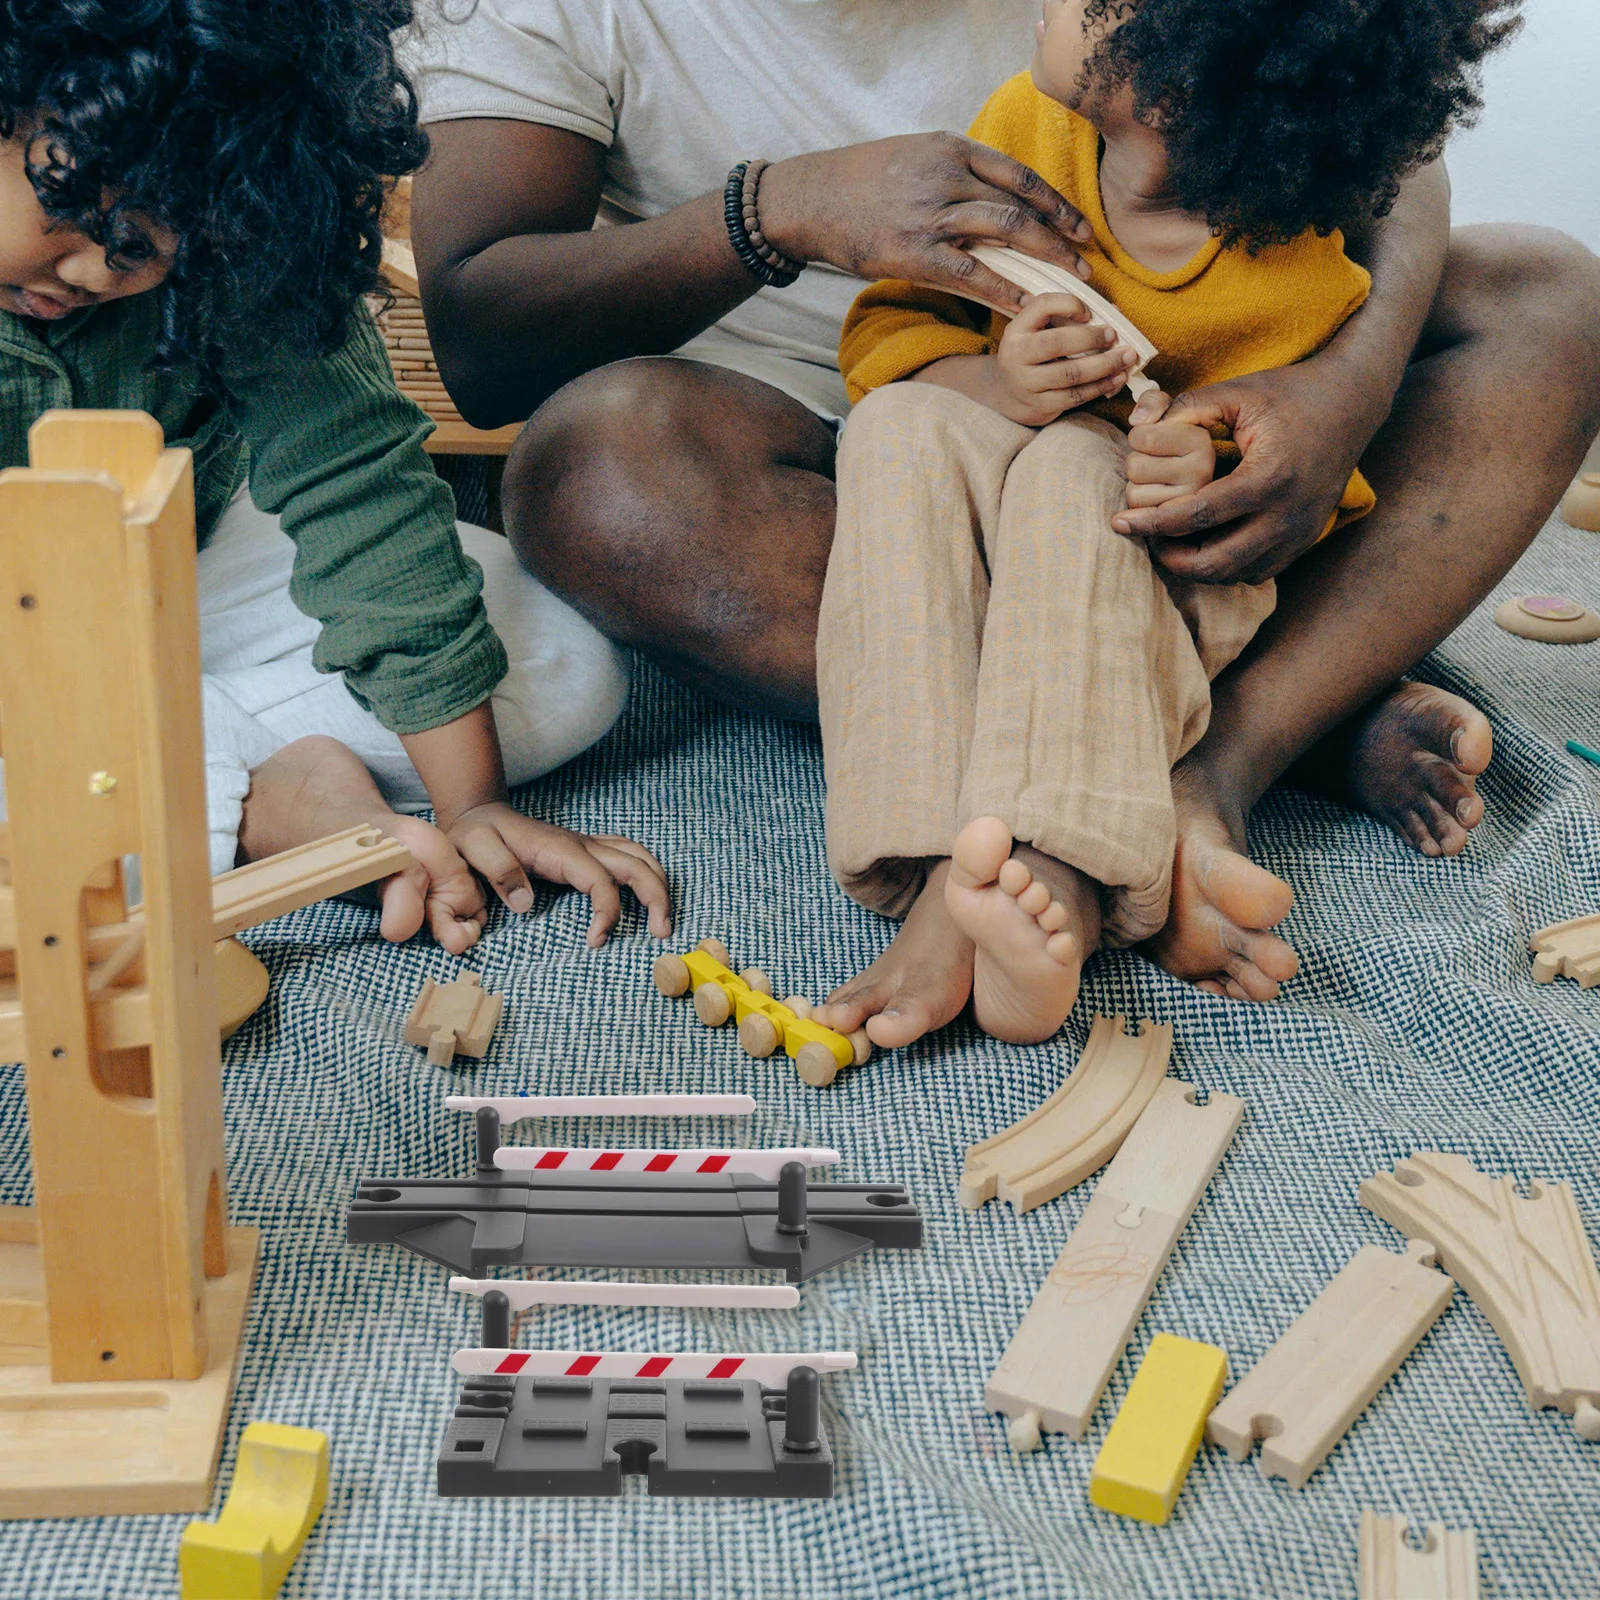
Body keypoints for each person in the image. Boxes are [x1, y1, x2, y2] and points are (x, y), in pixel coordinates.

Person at [408, 0, 1600, 1027]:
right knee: (599, 465)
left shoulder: (1144, 71)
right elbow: (480, 336)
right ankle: (1205, 728)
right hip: (820, 452)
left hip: (1167, 472)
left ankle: (1214, 768)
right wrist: (772, 214)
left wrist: (1345, 385)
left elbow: (1369, 120)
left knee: (1553, 296)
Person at [811, 0, 1515, 1044]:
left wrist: (1203, 451)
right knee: (897, 427)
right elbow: (892, 325)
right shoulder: (1022, 134)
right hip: (999, 481)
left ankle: (1060, 866)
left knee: (1069, 474)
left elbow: (1295, 487)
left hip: (1159, 573)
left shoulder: (1295, 260)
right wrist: (996, 378)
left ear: (1182, 70)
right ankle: (932, 870)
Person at [0, 0, 670, 952]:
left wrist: (473, 804)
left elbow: (355, 486)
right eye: (70, 211)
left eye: (156, 242)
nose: (103, 273)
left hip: (177, 557)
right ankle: (256, 806)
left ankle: (181, 775)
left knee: (567, 668)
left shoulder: (239, 248)